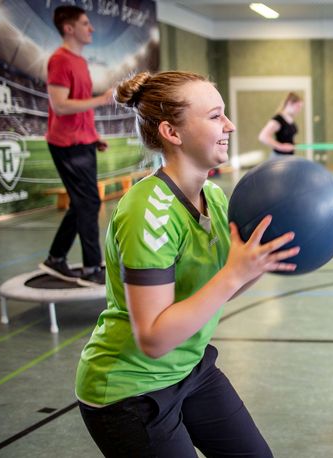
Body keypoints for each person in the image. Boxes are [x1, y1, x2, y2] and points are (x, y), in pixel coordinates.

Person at [75, 71, 299, 457]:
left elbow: (219, 286)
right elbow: (154, 338)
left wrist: (256, 265)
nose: (229, 125)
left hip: (190, 368)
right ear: (172, 132)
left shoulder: (212, 195)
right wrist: (233, 275)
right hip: (130, 389)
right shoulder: (147, 211)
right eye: (215, 116)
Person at [39, 5, 115, 287]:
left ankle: (56, 257)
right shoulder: (60, 60)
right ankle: (92, 267)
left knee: (83, 203)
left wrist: (93, 135)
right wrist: (102, 100)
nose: (91, 28)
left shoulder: (81, 61)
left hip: (83, 141)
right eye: (85, 23)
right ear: (69, 28)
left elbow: (80, 108)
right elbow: (59, 105)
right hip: (66, 143)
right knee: (89, 202)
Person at [258, 92, 302, 156]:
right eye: (298, 106)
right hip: (279, 158)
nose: (299, 109)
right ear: (289, 103)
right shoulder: (278, 120)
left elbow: (287, 139)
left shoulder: (290, 120)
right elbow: (262, 137)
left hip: (289, 157)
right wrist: (280, 146)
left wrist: (294, 145)